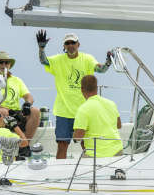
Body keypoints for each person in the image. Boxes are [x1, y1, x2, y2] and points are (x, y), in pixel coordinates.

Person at [36, 30, 113, 159]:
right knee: (62, 145)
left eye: (73, 42)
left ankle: (89, 172)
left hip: (84, 111)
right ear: (64, 46)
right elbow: (44, 61)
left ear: (78, 44)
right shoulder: (58, 59)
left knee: (87, 145)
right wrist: (41, 48)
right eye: (68, 43)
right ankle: (60, 173)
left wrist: (108, 62)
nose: (70, 45)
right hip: (63, 111)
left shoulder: (87, 58)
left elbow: (101, 69)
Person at [0, 51, 38, 157]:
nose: (4, 65)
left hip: (15, 112)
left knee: (35, 111)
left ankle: (24, 148)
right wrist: (7, 111)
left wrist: (27, 104)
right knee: (2, 111)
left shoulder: (17, 80)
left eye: (6, 63)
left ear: (10, 65)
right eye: (1, 62)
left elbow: (29, 97)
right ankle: (10, 149)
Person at [73, 75, 123, 158]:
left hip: (95, 155)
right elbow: (119, 125)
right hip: (117, 152)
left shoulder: (83, 109)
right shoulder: (111, 103)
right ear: (96, 88)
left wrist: (74, 135)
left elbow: (78, 137)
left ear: (81, 89)